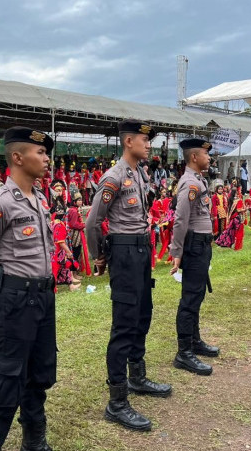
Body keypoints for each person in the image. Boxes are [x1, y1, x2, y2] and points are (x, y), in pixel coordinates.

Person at [0, 127, 56, 451]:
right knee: (6, 381)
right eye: (40, 153)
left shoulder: (40, 200)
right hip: (15, 301)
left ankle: (34, 442)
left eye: (46, 153)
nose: (46, 159)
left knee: (39, 375)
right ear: (18, 158)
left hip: (44, 298)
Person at [86, 119, 172, 433]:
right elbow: (93, 222)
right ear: (128, 142)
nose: (148, 144)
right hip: (123, 252)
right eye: (144, 139)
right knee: (124, 324)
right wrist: (99, 255)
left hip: (140, 251)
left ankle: (137, 377)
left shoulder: (137, 173)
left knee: (142, 315)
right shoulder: (114, 176)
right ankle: (117, 402)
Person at [169, 138, 220, 377]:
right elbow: (181, 219)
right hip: (194, 245)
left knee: (197, 294)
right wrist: (176, 252)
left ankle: (194, 340)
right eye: (205, 154)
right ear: (194, 157)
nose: (209, 158)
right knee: (190, 297)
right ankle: (183, 352)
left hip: (202, 244)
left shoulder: (198, 180)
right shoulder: (189, 183)